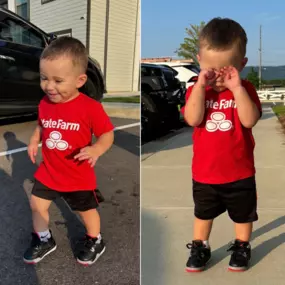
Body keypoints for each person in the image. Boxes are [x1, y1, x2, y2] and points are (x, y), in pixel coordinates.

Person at [24, 37, 114, 266]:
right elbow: (41, 124)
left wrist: (96, 149)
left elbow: (107, 134)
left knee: (86, 211)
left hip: (78, 174)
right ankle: (44, 239)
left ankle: (95, 239)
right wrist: (35, 139)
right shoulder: (45, 103)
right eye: (44, 78)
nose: (49, 86)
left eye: (58, 80)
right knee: (36, 204)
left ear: (80, 80)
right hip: (50, 170)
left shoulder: (90, 108)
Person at [181, 17, 262, 272]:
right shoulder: (197, 89)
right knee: (202, 213)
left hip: (240, 172)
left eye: (226, 70)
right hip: (205, 173)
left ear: (241, 65)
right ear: (199, 62)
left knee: (243, 215)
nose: (217, 77)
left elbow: (249, 120)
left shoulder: (245, 89)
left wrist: (236, 88)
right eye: (210, 69)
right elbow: (192, 118)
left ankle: (241, 246)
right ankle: (200, 246)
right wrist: (201, 87)